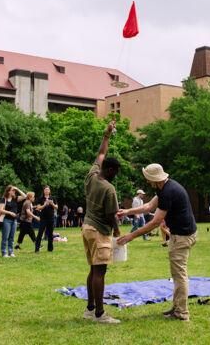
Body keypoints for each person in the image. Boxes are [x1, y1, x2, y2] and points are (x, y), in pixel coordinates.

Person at [117, 162, 198, 322]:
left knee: (180, 275)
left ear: (154, 179)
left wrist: (131, 236)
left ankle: (182, 313)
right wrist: (128, 211)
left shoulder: (168, 191)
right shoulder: (164, 188)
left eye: (148, 178)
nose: (147, 181)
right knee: (177, 274)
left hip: (182, 236)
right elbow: (148, 206)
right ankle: (177, 308)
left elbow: (155, 222)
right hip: (182, 233)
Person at [78, 120, 122, 324]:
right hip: (99, 231)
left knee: (93, 269)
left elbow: (101, 154)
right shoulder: (108, 189)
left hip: (86, 227)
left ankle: (89, 309)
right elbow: (112, 215)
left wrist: (107, 135)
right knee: (100, 271)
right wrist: (119, 232)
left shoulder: (92, 175)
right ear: (111, 170)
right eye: (116, 172)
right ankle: (99, 314)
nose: (116, 176)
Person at [0, 185, 24, 258]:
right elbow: (0, 209)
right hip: (6, 220)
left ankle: (11, 252)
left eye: (14, 191)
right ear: (8, 191)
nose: (14, 191)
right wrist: (9, 212)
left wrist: (17, 188)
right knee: (5, 237)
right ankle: (4, 252)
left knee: (12, 237)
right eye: (13, 190)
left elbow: (25, 196)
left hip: (14, 220)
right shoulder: (4, 199)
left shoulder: (15, 199)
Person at [35, 186, 58, 253]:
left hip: (51, 218)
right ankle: (37, 249)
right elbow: (38, 208)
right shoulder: (40, 198)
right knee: (40, 233)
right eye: (45, 190)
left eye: (48, 190)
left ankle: (50, 249)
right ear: (44, 191)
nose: (47, 191)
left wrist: (52, 204)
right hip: (43, 218)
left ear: (49, 191)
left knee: (50, 234)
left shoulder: (53, 198)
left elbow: (56, 207)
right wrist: (45, 204)